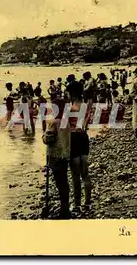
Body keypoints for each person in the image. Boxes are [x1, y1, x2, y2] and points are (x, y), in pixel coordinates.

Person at [67, 80, 92, 213]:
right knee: (85, 173)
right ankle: (87, 203)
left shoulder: (70, 108)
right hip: (84, 137)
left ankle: (77, 204)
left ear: (72, 94)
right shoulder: (87, 105)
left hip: (74, 138)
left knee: (75, 174)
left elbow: (65, 127)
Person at [42, 103, 71, 219]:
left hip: (55, 156)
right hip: (65, 156)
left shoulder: (53, 123)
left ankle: (64, 211)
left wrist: (44, 136)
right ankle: (65, 208)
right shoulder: (66, 122)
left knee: (60, 184)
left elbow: (48, 139)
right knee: (64, 183)